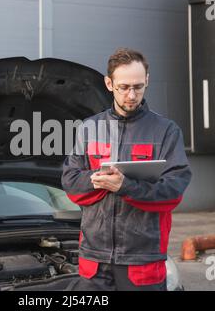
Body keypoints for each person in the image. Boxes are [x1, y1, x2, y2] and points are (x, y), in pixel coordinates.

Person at [61, 48, 192, 291]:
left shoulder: (165, 131)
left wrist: (126, 187)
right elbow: (70, 181)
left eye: (139, 86)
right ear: (109, 83)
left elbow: (174, 190)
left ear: (147, 81)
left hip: (142, 260)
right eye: (124, 87)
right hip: (94, 260)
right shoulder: (89, 128)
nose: (132, 95)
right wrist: (99, 179)